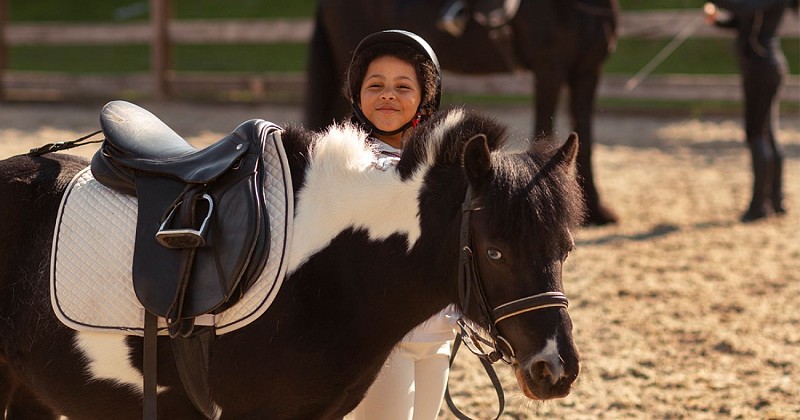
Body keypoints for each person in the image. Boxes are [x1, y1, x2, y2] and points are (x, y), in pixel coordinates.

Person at [342, 30, 459, 420]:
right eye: (375, 85)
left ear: (425, 98)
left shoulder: (443, 166)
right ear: (358, 96)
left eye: (402, 86)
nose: (388, 94)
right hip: (381, 338)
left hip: (437, 331)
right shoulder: (347, 163)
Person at [704, 0, 797, 221]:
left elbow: (743, 8)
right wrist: (716, 20)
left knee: (756, 134)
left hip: (761, 69)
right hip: (764, 67)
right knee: (768, 133)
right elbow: (741, 21)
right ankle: (776, 200)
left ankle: (759, 205)